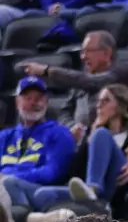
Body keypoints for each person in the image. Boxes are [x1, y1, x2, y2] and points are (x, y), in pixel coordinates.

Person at [0, 77, 78, 210]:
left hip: (39, 192)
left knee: (9, 183)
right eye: (27, 98)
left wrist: (9, 176)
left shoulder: (59, 134)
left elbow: (51, 173)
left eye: (38, 98)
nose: (33, 103)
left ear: (46, 102)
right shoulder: (5, 136)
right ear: (17, 102)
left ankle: (20, 219)